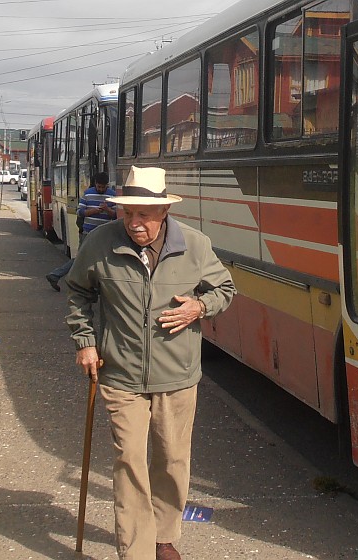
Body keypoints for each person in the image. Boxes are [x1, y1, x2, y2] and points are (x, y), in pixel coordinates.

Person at [65, 166, 236, 560]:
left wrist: (199, 306)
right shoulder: (100, 243)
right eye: (128, 213)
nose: (134, 222)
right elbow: (77, 291)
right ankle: (137, 550)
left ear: (162, 212)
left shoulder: (194, 245)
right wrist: (85, 341)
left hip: (177, 376)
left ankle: (164, 536)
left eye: (143, 213)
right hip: (120, 373)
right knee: (129, 460)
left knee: (173, 460)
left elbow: (225, 289)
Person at [46, 172, 116, 291]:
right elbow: (80, 212)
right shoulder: (88, 194)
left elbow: (115, 215)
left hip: (104, 233)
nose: (101, 189)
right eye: (99, 186)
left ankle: (94, 285)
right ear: (95, 184)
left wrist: (107, 209)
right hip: (88, 232)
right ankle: (58, 276)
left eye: (103, 187)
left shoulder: (113, 196)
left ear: (107, 185)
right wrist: (93, 211)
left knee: (99, 259)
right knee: (82, 258)